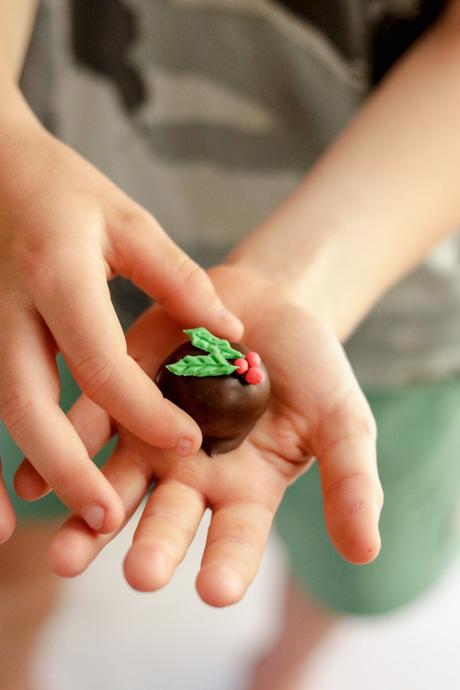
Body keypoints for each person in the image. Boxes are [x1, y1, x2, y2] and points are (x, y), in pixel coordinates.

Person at [0, 1, 459, 689]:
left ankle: (284, 669)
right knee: (32, 513)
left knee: (356, 566)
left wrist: (298, 286)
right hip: (52, 267)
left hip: (390, 303)